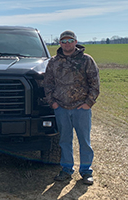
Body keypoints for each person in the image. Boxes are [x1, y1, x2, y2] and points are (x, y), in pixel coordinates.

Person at [43, 30, 100, 185]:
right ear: (60, 43)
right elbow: (47, 83)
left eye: (70, 40)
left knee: (84, 141)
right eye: (64, 41)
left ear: (76, 42)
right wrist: (53, 103)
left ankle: (86, 171)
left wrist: (88, 103)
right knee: (64, 140)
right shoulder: (54, 62)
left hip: (81, 108)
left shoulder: (86, 60)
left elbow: (95, 83)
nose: (67, 44)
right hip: (61, 108)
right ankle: (67, 169)